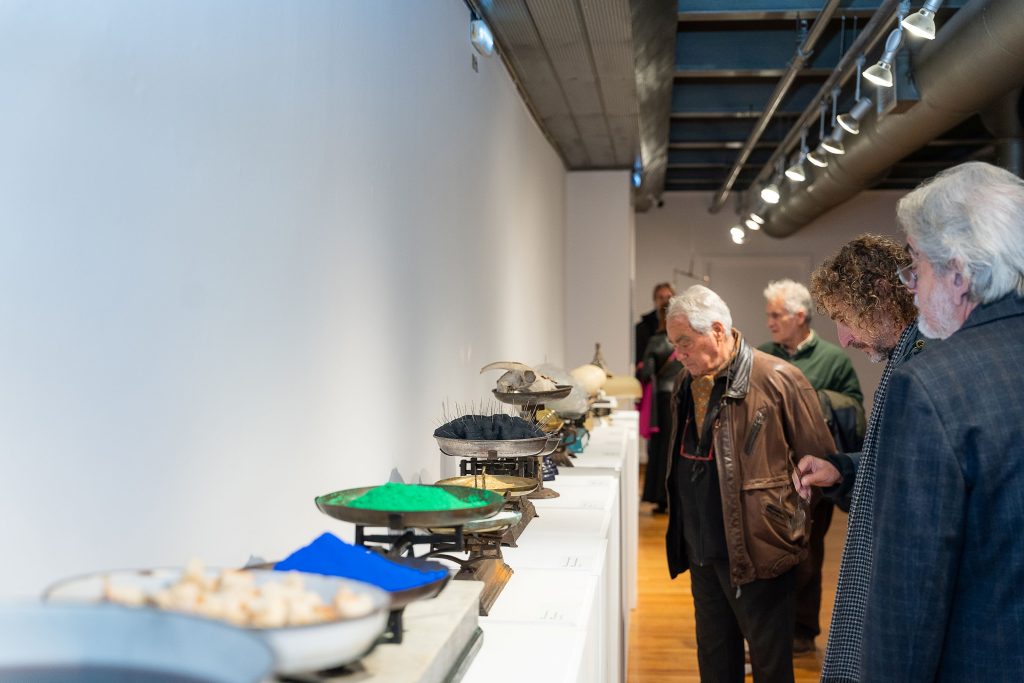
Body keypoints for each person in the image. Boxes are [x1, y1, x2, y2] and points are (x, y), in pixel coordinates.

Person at [859, 162, 1024, 681]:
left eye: (915, 266)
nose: (911, 287)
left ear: (957, 273)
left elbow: (908, 600)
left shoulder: (931, 386)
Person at [663, 285, 835, 683]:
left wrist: (787, 527)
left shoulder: (779, 379)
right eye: (675, 344)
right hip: (702, 548)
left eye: (685, 342)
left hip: (760, 553)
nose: (679, 353)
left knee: (770, 665)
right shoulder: (684, 382)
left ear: (718, 331)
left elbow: (822, 467)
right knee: (715, 657)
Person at [789, 235, 923, 682]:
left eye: (846, 319)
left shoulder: (924, 369)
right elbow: (899, 465)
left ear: (883, 296)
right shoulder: (908, 362)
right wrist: (841, 468)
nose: (843, 338)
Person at [758, 278, 864, 655]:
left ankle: (802, 631)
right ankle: (769, 632)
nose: (769, 322)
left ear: (799, 316)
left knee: (808, 555)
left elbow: (854, 407)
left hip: (813, 475)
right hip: (768, 475)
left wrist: (811, 400)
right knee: (769, 553)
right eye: (768, 315)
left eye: (776, 315)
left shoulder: (833, 359)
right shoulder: (763, 356)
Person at [638, 302, 682, 513]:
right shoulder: (684, 342)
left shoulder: (656, 341)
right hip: (682, 397)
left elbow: (646, 372)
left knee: (661, 448)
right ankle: (676, 496)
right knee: (678, 447)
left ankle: (659, 496)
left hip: (663, 399)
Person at [635, 282, 675, 374]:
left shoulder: (682, 326)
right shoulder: (642, 328)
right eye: (660, 297)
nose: (665, 301)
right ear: (655, 300)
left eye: (668, 297)